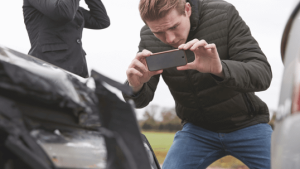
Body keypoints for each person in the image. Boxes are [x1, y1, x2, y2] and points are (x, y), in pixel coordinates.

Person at [122, 0, 273, 168]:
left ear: (187, 9)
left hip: (247, 125)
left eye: (173, 27)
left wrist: (220, 69)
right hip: (196, 131)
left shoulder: (224, 15)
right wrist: (135, 86)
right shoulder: (149, 38)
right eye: (159, 32)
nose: (169, 38)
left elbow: (263, 74)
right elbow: (139, 100)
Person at [23, 0, 110, 78]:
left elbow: (101, 21)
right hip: (50, 66)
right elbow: (64, 13)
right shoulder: (61, 7)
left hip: (78, 69)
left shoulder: (70, 6)